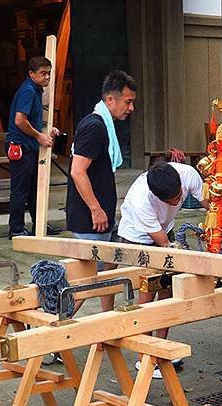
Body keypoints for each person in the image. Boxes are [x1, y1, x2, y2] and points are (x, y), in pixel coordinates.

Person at [118, 161, 222, 379]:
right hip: (139, 238)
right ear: (157, 197)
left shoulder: (187, 174)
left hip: (165, 228)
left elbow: (214, 209)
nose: (178, 201)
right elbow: (164, 246)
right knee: (148, 291)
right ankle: (144, 357)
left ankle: (161, 349)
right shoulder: (141, 200)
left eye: (179, 196)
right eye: (173, 200)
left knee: (167, 290)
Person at [66, 69, 136, 313]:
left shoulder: (102, 125)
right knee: (86, 282)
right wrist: (96, 209)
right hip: (90, 220)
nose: (131, 108)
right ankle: (54, 332)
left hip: (102, 217)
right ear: (110, 100)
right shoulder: (95, 126)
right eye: (128, 102)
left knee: (108, 269)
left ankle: (108, 319)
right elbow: (77, 171)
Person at [5, 56, 61, 238]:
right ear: (31, 74)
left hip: (30, 146)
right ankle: (16, 229)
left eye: (49, 73)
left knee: (34, 189)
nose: (47, 77)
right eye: (43, 73)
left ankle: (39, 225)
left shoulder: (37, 90)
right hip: (21, 146)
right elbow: (20, 121)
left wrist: (47, 129)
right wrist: (39, 136)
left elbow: (33, 118)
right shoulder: (28, 91)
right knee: (21, 190)